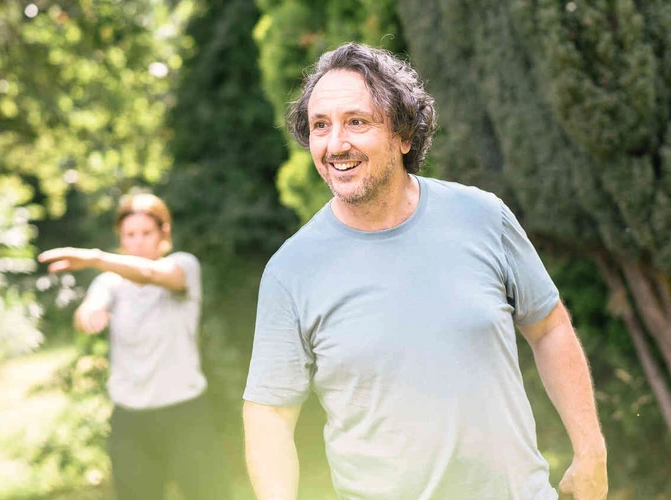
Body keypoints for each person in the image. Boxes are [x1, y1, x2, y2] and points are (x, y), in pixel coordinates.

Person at [242, 43, 608, 500]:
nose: (335, 144)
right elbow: (270, 411)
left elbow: (549, 329)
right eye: (320, 125)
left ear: (404, 135)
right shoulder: (291, 270)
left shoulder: (483, 216)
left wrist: (591, 452)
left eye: (356, 121)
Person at [38, 193, 229, 500]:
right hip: (130, 423)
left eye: (146, 233)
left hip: (186, 416)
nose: (138, 242)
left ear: (164, 233)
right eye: (130, 235)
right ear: (121, 237)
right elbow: (90, 307)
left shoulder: (183, 266)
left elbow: (150, 273)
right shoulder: (110, 283)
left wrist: (95, 259)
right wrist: (89, 313)